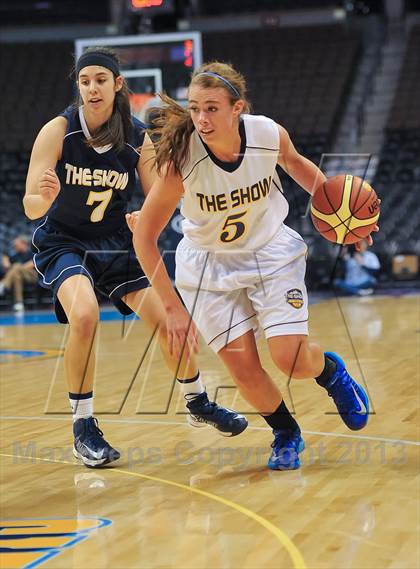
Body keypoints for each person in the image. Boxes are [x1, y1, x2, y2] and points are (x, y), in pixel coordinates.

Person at [132, 61, 378, 471]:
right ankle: (285, 433)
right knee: (244, 371)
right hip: (208, 265)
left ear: (237, 108)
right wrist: (172, 310)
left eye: (211, 108)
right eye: (194, 108)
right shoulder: (182, 159)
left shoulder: (267, 133)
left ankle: (332, 373)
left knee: (291, 360)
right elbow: (144, 238)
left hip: (268, 252)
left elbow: (297, 164)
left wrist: (345, 220)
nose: (201, 118)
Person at [23, 48, 247, 469]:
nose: (92, 87)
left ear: (117, 84)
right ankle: (83, 427)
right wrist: (43, 198)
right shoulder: (58, 130)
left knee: (167, 319)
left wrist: (145, 215)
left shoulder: (137, 137)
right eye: (85, 80)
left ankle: (196, 400)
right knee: (85, 315)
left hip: (115, 244)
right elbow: (31, 205)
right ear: (79, 85)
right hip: (65, 241)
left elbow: (157, 200)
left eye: (101, 80)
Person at [0, 235, 37, 311]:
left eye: (16, 245)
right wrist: (5, 259)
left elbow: (32, 264)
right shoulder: (16, 255)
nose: (14, 247)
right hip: (20, 276)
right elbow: (8, 266)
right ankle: (19, 303)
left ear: (23, 244)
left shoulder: (32, 253)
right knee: (17, 276)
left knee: (16, 266)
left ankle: (3, 284)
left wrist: (18, 267)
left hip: (33, 276)